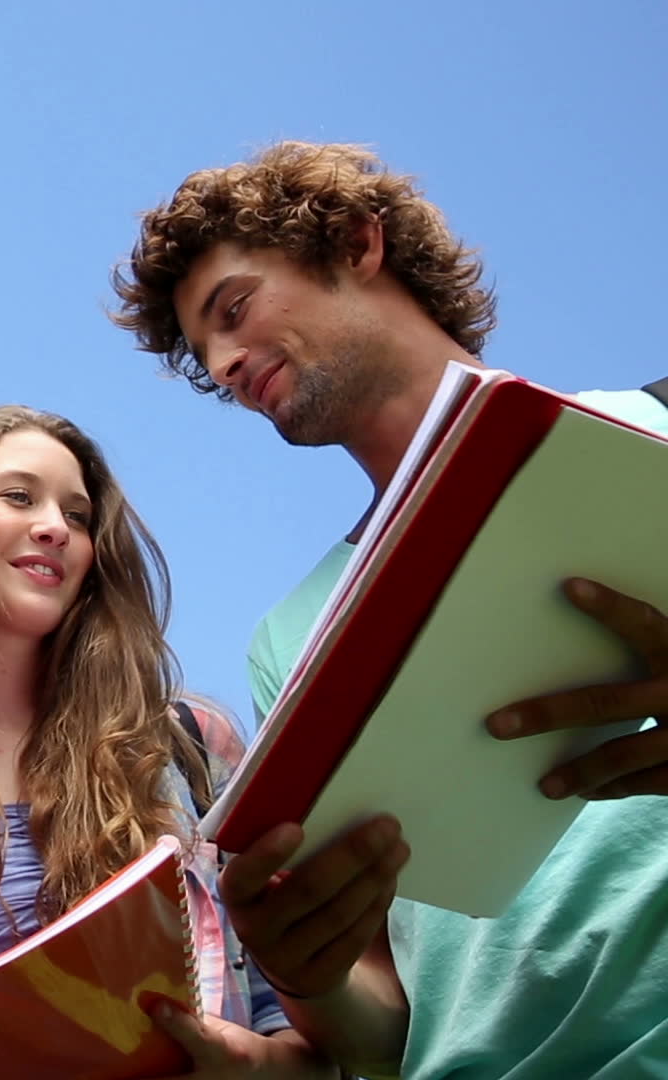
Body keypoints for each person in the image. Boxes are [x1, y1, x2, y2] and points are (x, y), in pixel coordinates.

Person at [113, 140, 668, 1078]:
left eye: (234, 310)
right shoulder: (287, 641)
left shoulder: (654, 428)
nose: (226, 362)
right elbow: (383, 1031)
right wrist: (308, 975)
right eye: (207, 358)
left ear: (357, 243)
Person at [0, 405, 333, 1079]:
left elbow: (306, 1038)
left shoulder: (190, 747)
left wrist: (249, 1065)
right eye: (19, 497)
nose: (55, 527)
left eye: (77, 516)